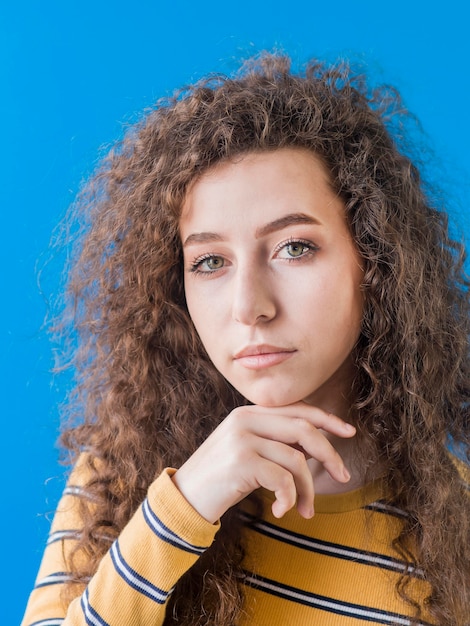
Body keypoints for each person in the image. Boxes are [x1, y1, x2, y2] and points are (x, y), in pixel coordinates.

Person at [21, 52, 469, 626]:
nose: (249, 307)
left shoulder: (456, 520)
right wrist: (183, 509)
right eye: (210, 261)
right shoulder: (115, 481)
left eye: (295, 248)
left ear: (376, 262)